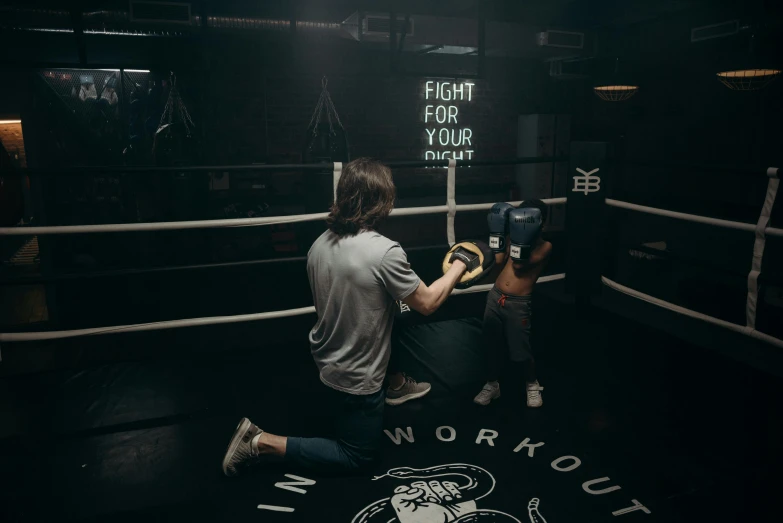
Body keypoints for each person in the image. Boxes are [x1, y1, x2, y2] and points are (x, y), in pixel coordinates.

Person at [221, 158, 470, 476]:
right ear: (383, 200)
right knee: (358, 457)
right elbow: (429, 303)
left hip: (326, 361)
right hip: (357, 378)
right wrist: (461, 263)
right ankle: (260, 441)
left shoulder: (319, 244)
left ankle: (394, 384)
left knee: (392, 311)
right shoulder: (383, 252)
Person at [474, 199, 552, 408]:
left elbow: (518, 265)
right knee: (490, 345)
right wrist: (498, 234)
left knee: (520, 350)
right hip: (495, 296)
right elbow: (499, 261)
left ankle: (532, 385)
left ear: (540, 223)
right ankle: (492, 385)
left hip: (518, 304)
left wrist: (520, 236)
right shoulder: (512, 238)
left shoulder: (545, 247)